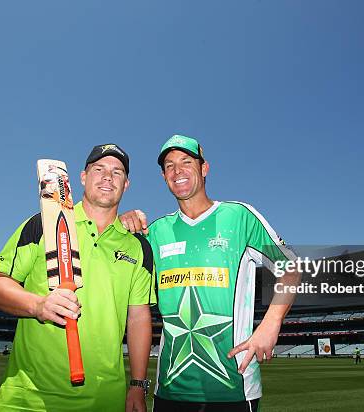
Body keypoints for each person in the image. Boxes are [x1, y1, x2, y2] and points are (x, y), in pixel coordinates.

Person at [121, 135, 298, 412]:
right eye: (169, 166)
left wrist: (271, 323)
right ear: (164, 176)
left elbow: (291, 267)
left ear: (204, 168)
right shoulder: (156, 232)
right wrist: (122, 225)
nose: (177, 171)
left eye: (186, 162)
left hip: (234, 391)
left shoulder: (240, 217)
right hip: (170, 392)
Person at [0, 144, 156, 412]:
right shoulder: (42, 224)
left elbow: (138, 317)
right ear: (83, 177)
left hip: (105, 399)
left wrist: (137, 383)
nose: (108, 176)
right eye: (99, 169)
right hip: (28, 397)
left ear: (127, 184)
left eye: (117, 172)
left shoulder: (139, 247)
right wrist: (38, 306)